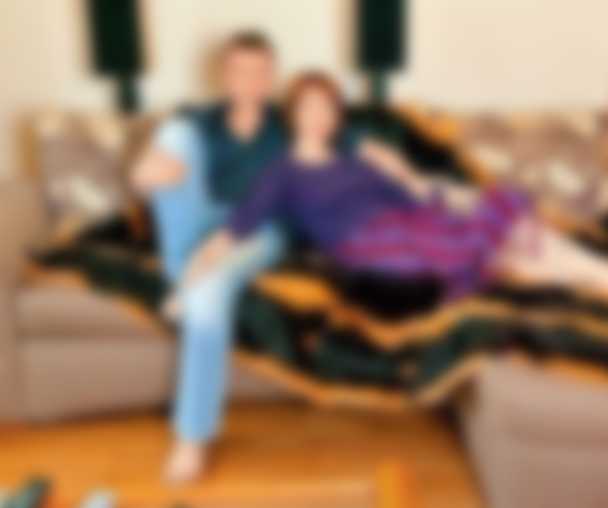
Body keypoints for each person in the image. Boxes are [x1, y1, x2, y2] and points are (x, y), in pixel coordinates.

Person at [132, 32, 445, 482]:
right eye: (240, 71)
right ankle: (186, 273)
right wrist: (144, 173)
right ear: (224, 76)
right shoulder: (202, 120)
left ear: (271, 77)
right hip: (206, 217)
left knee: (209, 294)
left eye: (259, 72)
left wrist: (398, 168)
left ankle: (191, 437)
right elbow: (159, 165)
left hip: (260, 227)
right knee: (176, 135)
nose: (249, 81)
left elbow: (354, 141)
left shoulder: (288, 122)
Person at [180, 71, 608, 331]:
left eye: (327, 107)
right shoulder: (282, 173)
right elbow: (233, 232)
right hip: (376, 251)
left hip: (411, 226)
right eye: (308, 106)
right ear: (293, 114)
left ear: (336, 115)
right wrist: (189, 280)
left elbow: (415, 196)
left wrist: (400, 169)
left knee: (521, 242)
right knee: (512, 243)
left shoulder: (356, 161)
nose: (318, 115)